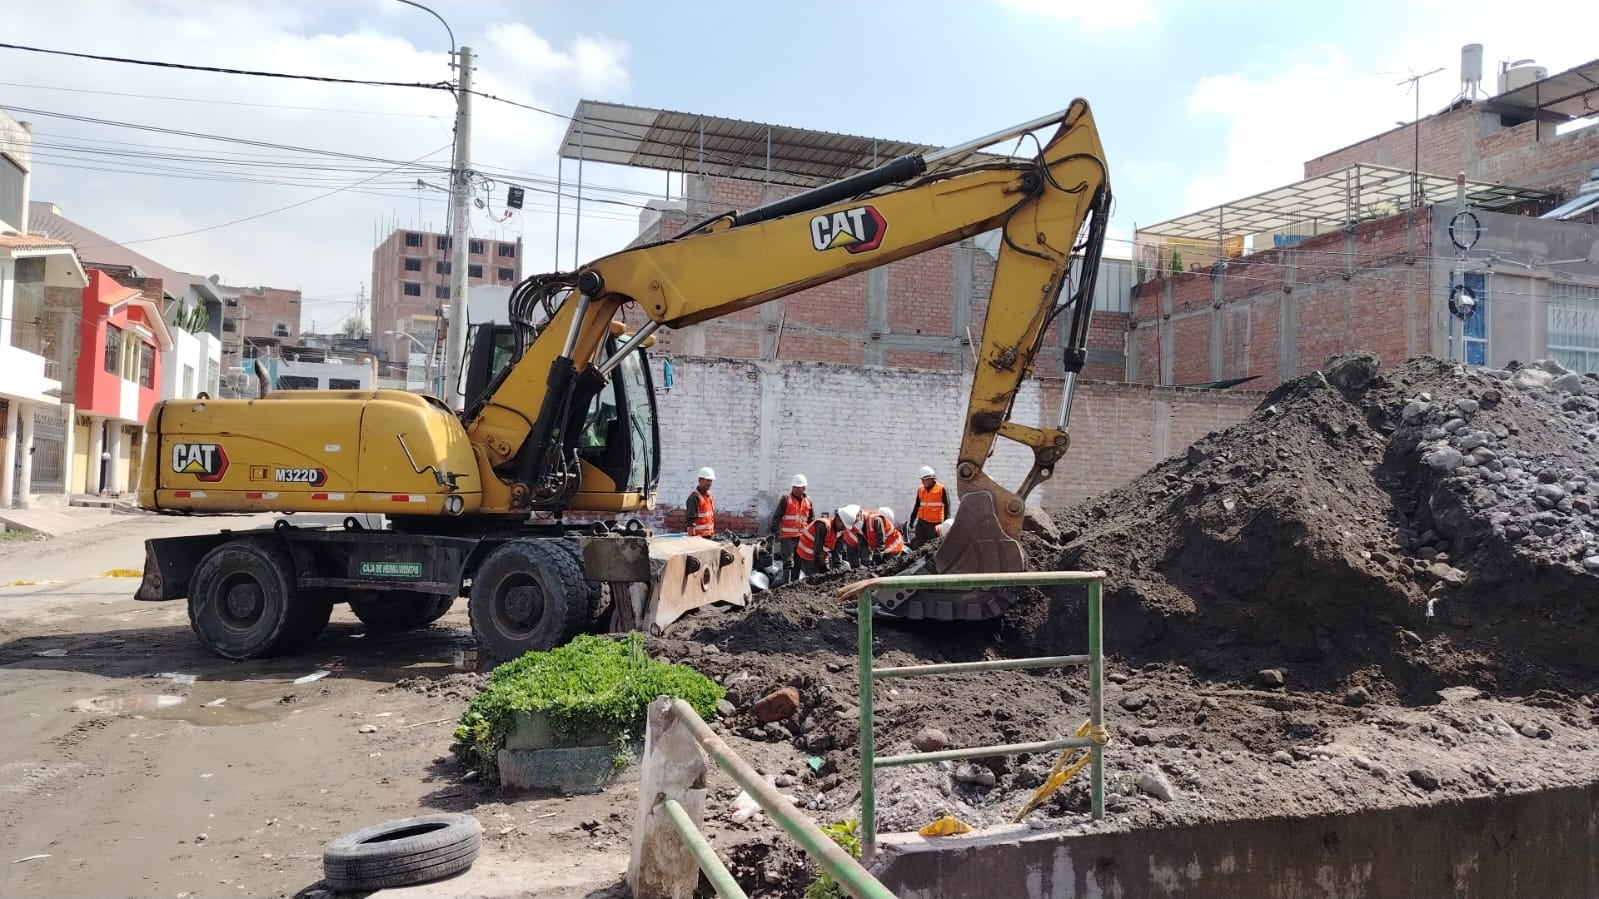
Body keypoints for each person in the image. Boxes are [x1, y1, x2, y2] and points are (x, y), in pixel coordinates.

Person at [768, 474, 814, 578]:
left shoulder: (808, 501)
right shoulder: (786, 499)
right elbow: (777, 516)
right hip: (787, 536)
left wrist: (811, 536)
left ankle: (795, 584)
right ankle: (786, 584)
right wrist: (774, 530)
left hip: (801, 536)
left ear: (804, 488)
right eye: (794, 487)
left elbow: (811, 519)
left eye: (799, 487)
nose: (796, 490)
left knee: (798, 561)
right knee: (788, 562)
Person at [908, 465, 951, 549]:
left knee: (933, 547)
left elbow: (947, 508)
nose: (923, 482)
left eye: (924, 480)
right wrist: (912, 520)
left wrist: (945, 525)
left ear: (931, 478)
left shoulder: (941, 489)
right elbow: (917, 506)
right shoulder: (920, 490)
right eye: (922, 480)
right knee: (918, 545)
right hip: (921, 523)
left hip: (935, 524)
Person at [795, 510, 845, 577]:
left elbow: (837, 552)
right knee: (815, 577)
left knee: (824, 575)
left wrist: (839, 569)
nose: (844, 528)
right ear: (837, 520)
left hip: (820, 553)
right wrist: (824, 569)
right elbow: (818, 551)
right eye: (843, 525)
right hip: (807, 553)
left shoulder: (840, 531)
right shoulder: (822, 525)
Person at [685, 467, 716, 536]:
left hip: (709, 536)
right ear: (700, 480)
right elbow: (690, 521)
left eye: (711, 481)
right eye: (708, 480)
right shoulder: (694, 497)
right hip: (698, 538)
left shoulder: (709, 496)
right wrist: (692, 539)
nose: (710, 483)